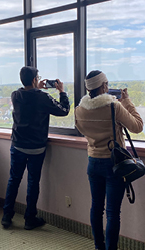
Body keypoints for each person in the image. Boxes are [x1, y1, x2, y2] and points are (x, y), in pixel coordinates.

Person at [75, 70, 143, 250]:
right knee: (113, 213)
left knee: (96, 208)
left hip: (93, 161)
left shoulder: (79, 110)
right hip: (114, 165)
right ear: (104, 86)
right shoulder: (114, 107)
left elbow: (82, 130)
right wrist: (126, 101)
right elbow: (137, 126)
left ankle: (98, 246)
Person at [1, 66, 70, 230]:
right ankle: (30, 218)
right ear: (34, 79)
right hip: (36, 148)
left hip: (17, 145)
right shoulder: (43, 97)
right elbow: (64, 110)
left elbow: (28, 96)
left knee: (13, 180)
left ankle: (6, 216)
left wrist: (35, 87)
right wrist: (61, 91)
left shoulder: (15, 95)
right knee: (33, 182)